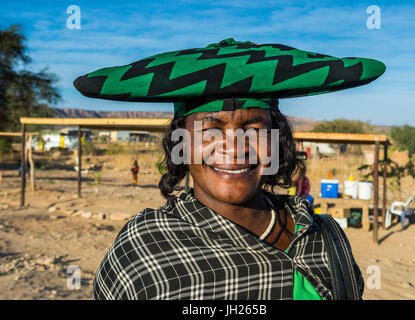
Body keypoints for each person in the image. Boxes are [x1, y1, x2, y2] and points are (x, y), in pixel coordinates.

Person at [74, 38, 385, 300]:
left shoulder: (323, 235)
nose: (235, 147)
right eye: (212, 127)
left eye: (253, 126)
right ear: (181, 144)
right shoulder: (144, 250)